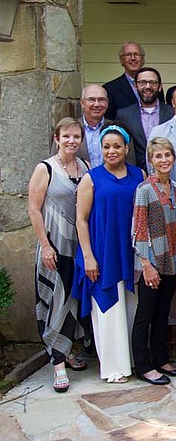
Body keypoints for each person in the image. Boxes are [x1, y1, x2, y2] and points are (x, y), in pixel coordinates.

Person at [72, 124, 144, 383]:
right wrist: (88, 256)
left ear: (126, 148)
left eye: (117, 146)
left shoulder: (139, 175)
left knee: (132, 307)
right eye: (106, 147)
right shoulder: (91, 178)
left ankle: (133, 360)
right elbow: (81, 219)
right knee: (109, 310)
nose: (111, 151)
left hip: (132, 251)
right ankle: (114, 368)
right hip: (103, 251)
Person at [30, 117, 90, 392]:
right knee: (56, 301)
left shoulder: (86, 167)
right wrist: (45, 245)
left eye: (76, 136)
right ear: (57, 138)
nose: (71, 141)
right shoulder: (46, 168)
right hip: (54, 246)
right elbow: (33, 209)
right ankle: (58, 365)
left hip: (78, 249)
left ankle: (72, 350)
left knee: (75, 302)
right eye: (66, 136)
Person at [130, 137, 176, 385]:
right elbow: (139, 229)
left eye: (167, 155)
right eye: (158, 156)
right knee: (145, 314)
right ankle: (143, 366)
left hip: (172, 261)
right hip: (151, 262)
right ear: (151, 160)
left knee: (163, 312)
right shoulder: (144, 190)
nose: (163, 160)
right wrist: (145, 264)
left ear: (173, 158)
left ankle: (161, 359)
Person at [117, 67, 174, 169]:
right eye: (142, 82)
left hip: (167, 173)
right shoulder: (124, 115)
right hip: (135, 174)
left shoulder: (172, 113)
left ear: (160, 87)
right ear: (135, 86)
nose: (148, 86)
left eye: (153, 82)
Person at [104, 42, 160, 119]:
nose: (133, 58)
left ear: (142, 59)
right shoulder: (110, 89)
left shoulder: (154, 84)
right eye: (128, 55)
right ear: (122, 60)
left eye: (136, 54)